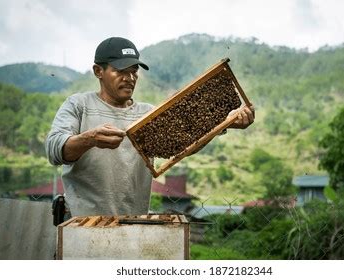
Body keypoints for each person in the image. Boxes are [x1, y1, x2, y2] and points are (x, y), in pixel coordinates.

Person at [45, 37, 255, 217]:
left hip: (134, 223)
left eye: (134, 71)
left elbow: (184, 144)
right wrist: (89, 139)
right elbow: (54, 150)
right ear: (98, 71)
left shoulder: (147, 114)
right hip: (82, 224)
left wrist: (223, 124)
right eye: (120, 71)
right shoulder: (79, 105)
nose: (130, 78)